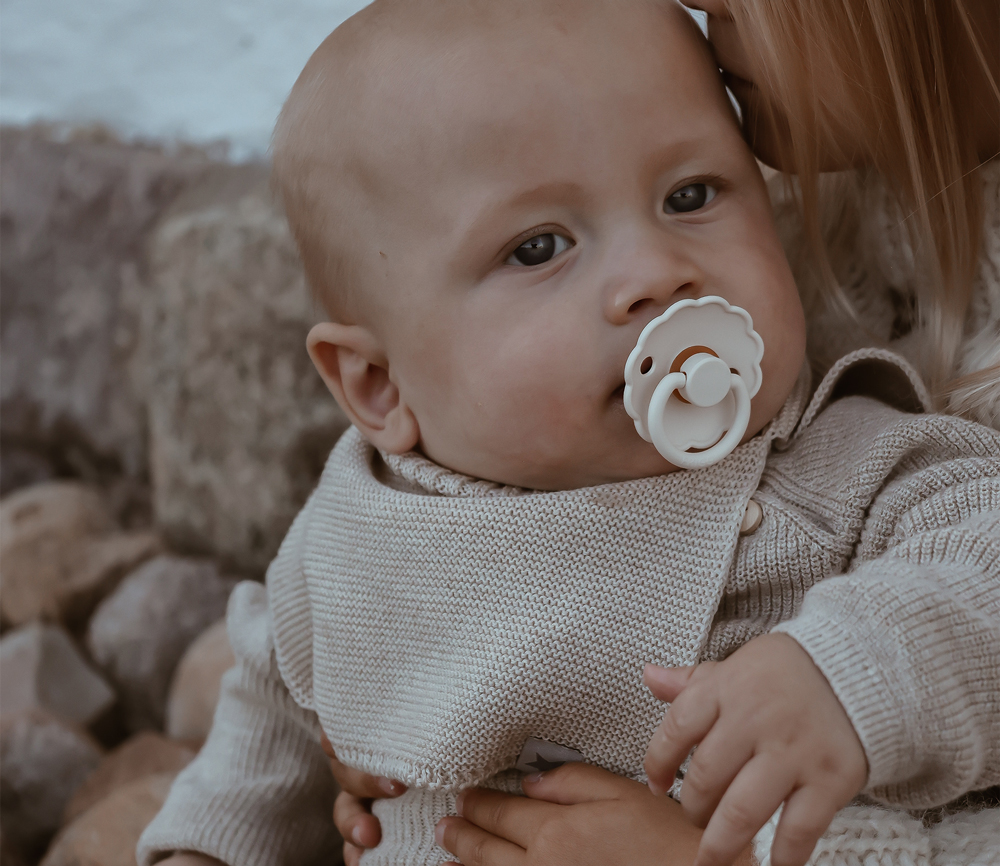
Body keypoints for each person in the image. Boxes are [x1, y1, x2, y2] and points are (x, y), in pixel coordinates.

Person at [137, 2, 1000, 866]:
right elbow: (271, 707)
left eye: (690, 196)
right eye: (538, 248)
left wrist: (847, 673)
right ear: (380, 385)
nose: (655, 273)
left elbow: (983, 561)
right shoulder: (359, 527)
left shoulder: (846, 470)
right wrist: (209, 847)